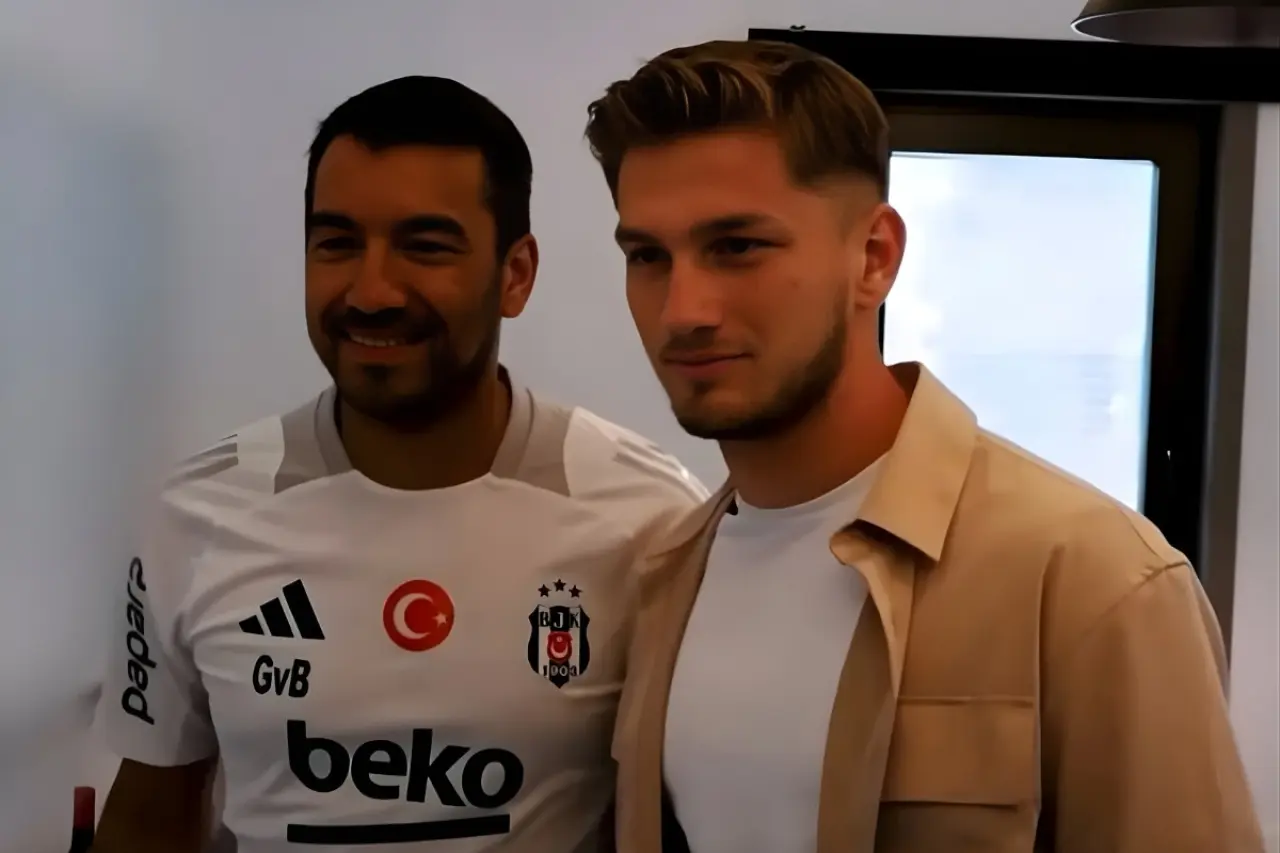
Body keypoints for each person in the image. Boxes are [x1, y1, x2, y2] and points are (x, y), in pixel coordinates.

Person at [583, 39, 1265, 853]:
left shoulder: (1091, 577)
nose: (683, 309)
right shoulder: (663, 575)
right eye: (648, 256)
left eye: (737, 246)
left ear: (874, 258)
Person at [92, 75, 706, 853]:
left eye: (425, 246)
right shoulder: (196, 513)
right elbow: (147, 817)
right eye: (337, 242)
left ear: (515, 274)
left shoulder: (652, 519)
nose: (372, 291)